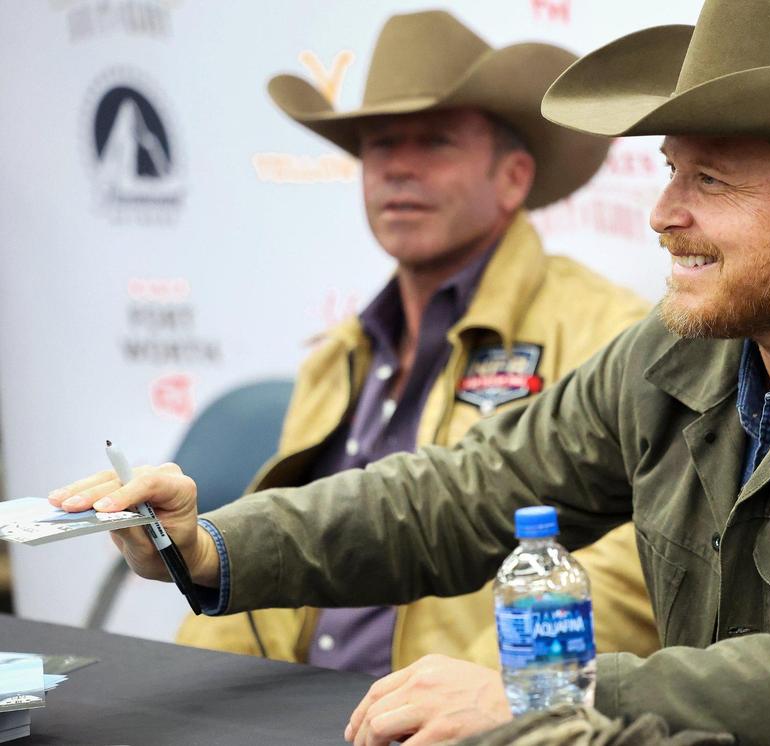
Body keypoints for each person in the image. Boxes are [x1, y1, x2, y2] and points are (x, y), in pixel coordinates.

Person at [52, 1, 770, 744]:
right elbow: (464, 492)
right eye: (671, 172)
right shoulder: (685, 346)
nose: (666, 214)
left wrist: (543, 700)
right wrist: (216, 543)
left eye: (709, 178)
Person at [171, 9, 659, 676]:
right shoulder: (337, 356)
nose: (399, 168)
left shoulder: (607, 332)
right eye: (379, 145)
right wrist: (185, 686)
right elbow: (272, 585)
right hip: (295, 709)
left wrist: (490, 692)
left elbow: (636, 564)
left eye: (433, 142)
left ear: (513, 178)